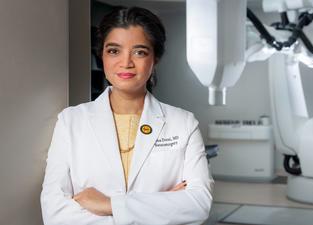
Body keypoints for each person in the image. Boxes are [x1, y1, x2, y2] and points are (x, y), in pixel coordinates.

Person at [40, 6, 214, 225]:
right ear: (100, 54)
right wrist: (164, 205)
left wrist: (109, 205)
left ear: (155, 58)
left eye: (139, 51)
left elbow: (198, 204)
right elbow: (54, 213)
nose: (126, 63)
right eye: (114, 51)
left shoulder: (184, 123)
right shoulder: (70, 121)